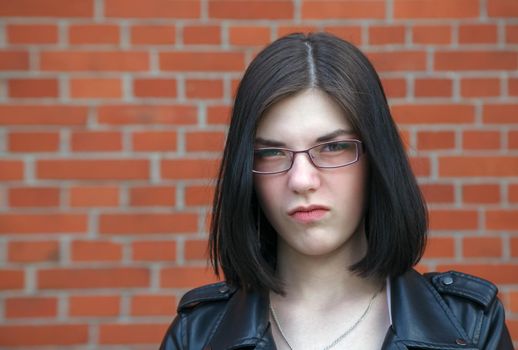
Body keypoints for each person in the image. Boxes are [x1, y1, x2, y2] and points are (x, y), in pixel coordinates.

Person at [160, 32, 513, 349]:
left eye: (332, 148)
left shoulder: (470, 328)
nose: (301, 180)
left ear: (376, 158)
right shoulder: (198, 336)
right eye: (272, 152)